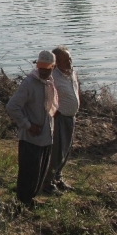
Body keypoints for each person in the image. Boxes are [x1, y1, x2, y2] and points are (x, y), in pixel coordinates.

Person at [5, 51, 58, 206]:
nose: (42, 71)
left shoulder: (50, 82)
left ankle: (31, 199)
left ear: (53, 68)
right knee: (29, 173)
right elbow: (12, 107)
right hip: (31, 137)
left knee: (40, 171)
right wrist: (27, 125)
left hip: (46, 136)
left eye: (46, 68)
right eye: (40, 67)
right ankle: (22, 202)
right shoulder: (29, 83)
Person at [43, 46, 80, 194]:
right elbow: (44, 96)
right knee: (56, 152)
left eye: (70, 59)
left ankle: (58, 178)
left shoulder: (71, 73)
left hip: (71, 118)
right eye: (65, 60)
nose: (69, 62)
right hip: (59, 119)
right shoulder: (52, 77)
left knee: (66, 151)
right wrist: (53, 111)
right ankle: (47, 183)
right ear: (56, 62)